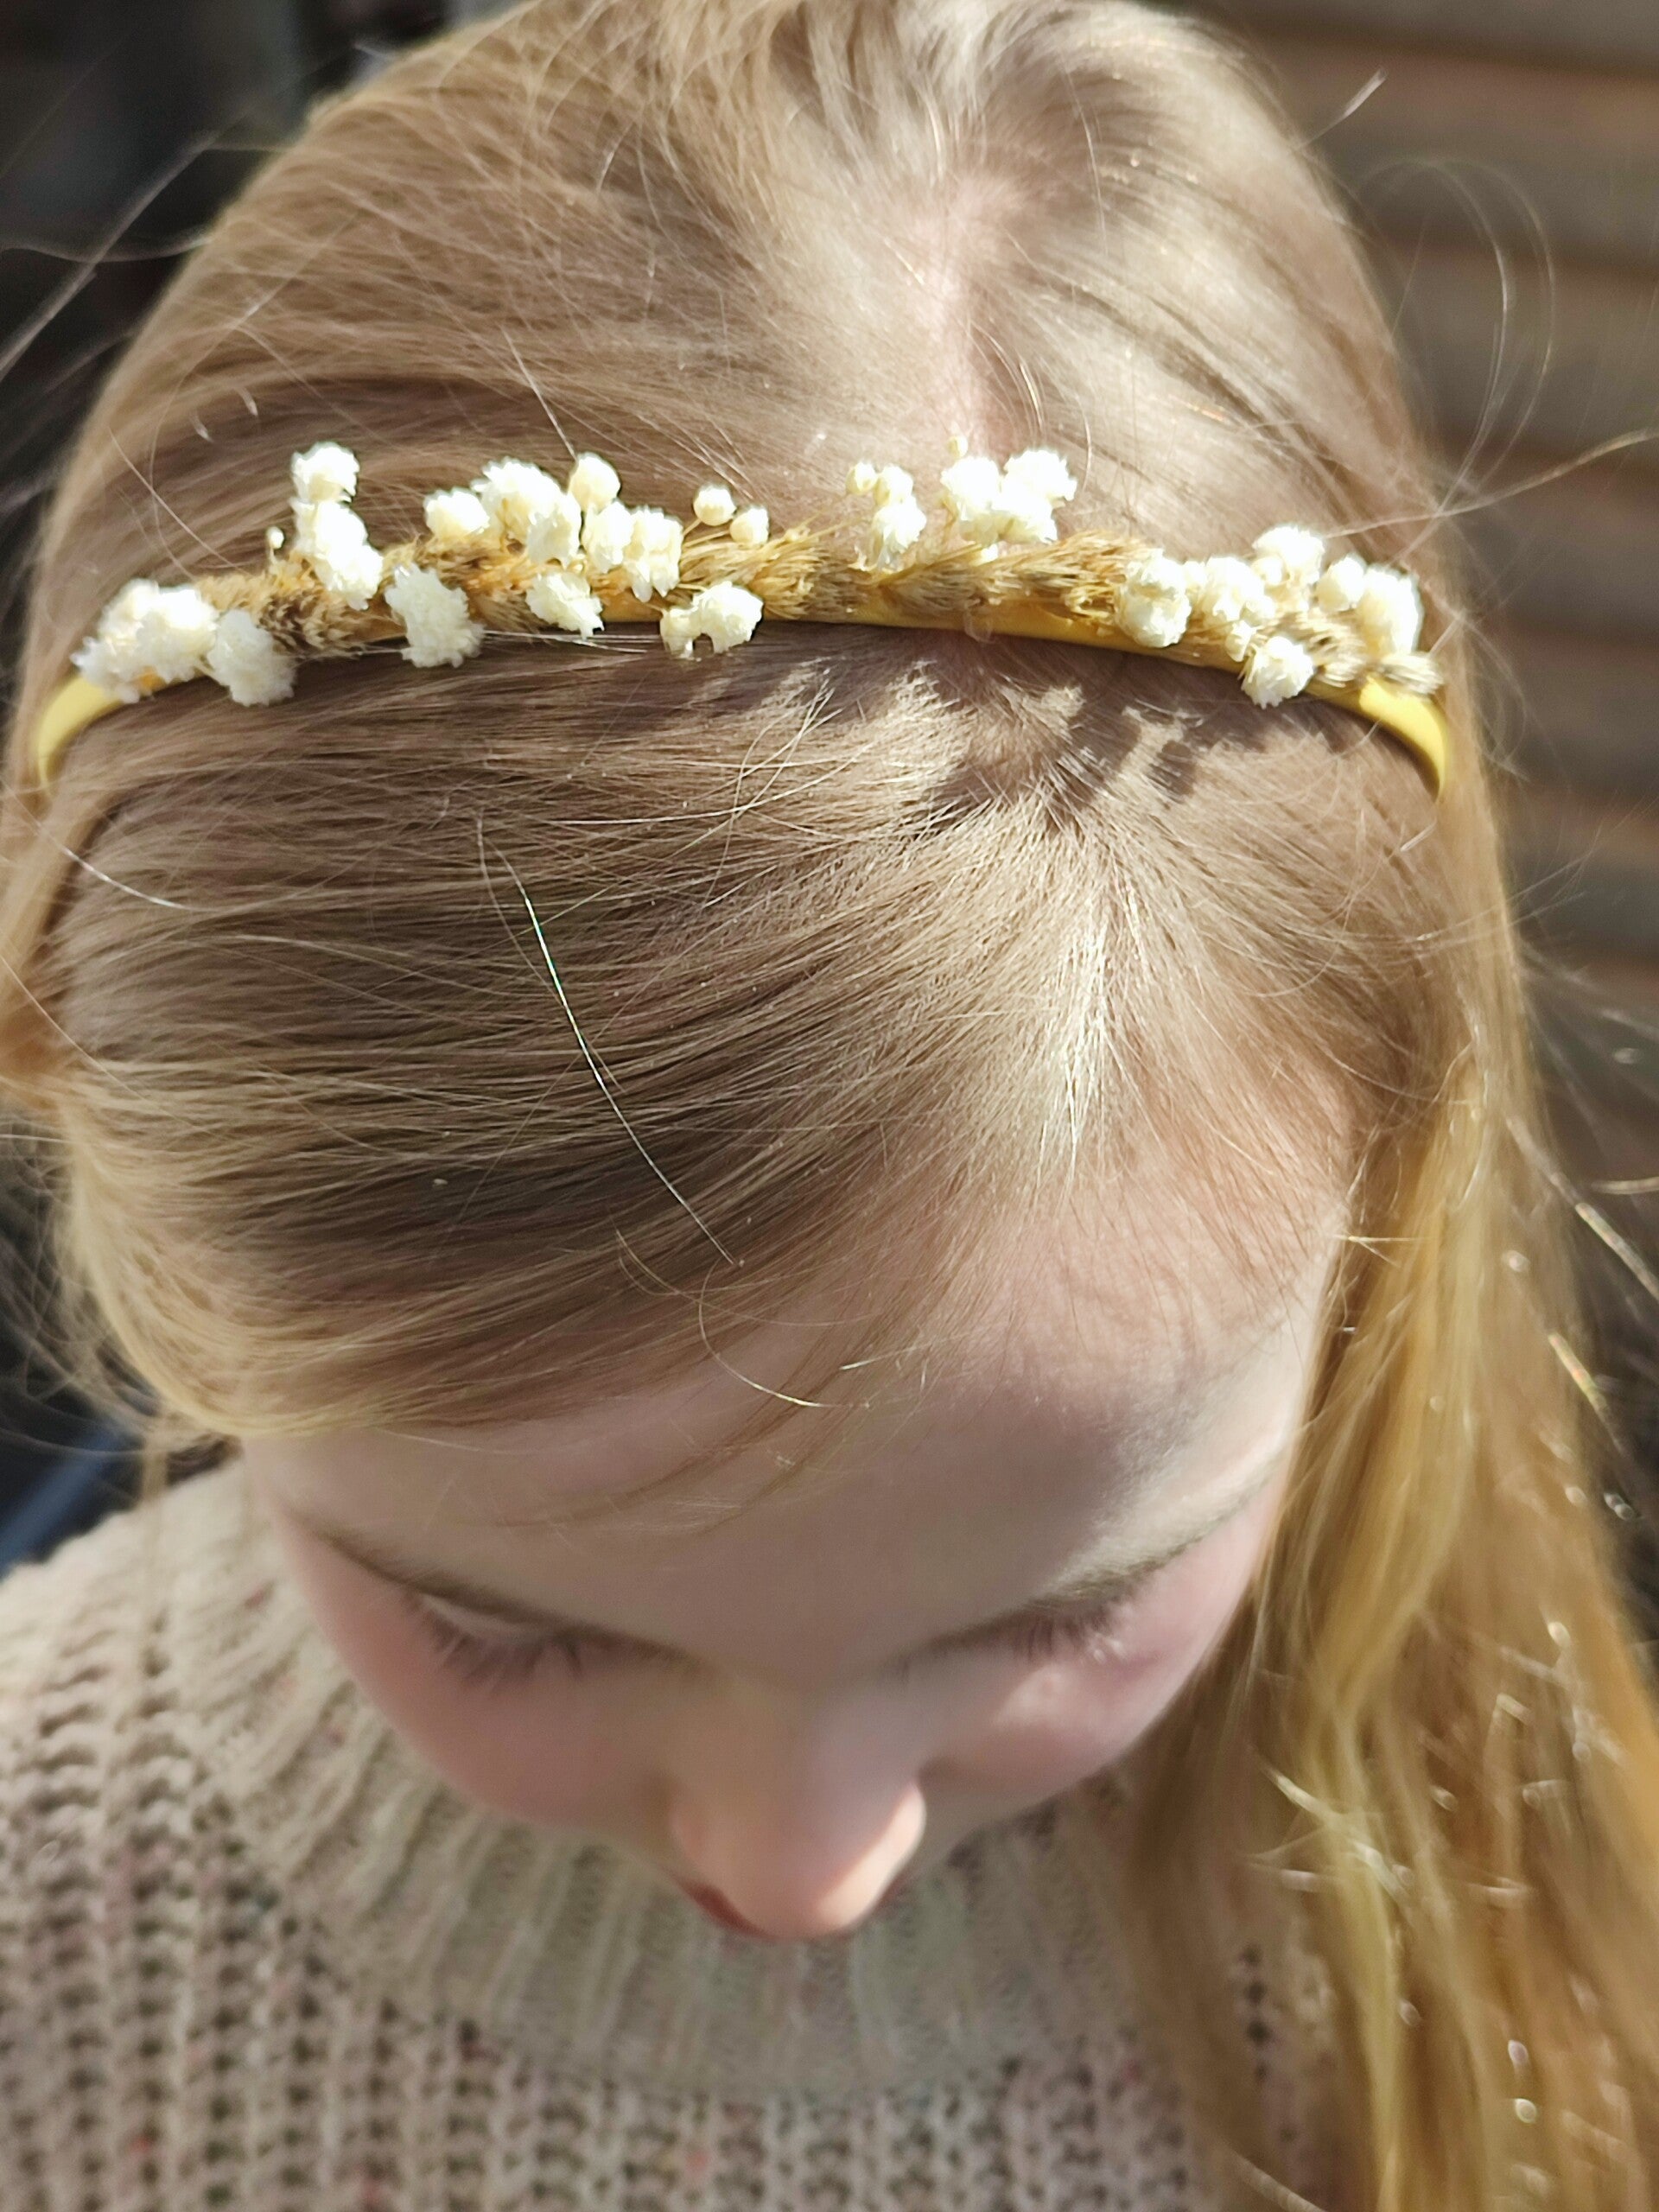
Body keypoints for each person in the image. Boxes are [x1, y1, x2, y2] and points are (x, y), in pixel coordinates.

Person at [0, 0, 1655, 2206]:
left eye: (1060, 1618)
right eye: (512, 1627)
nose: (804, 1864)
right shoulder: (48, 1918)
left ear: (1383, 1212)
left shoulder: (1499, 1919)